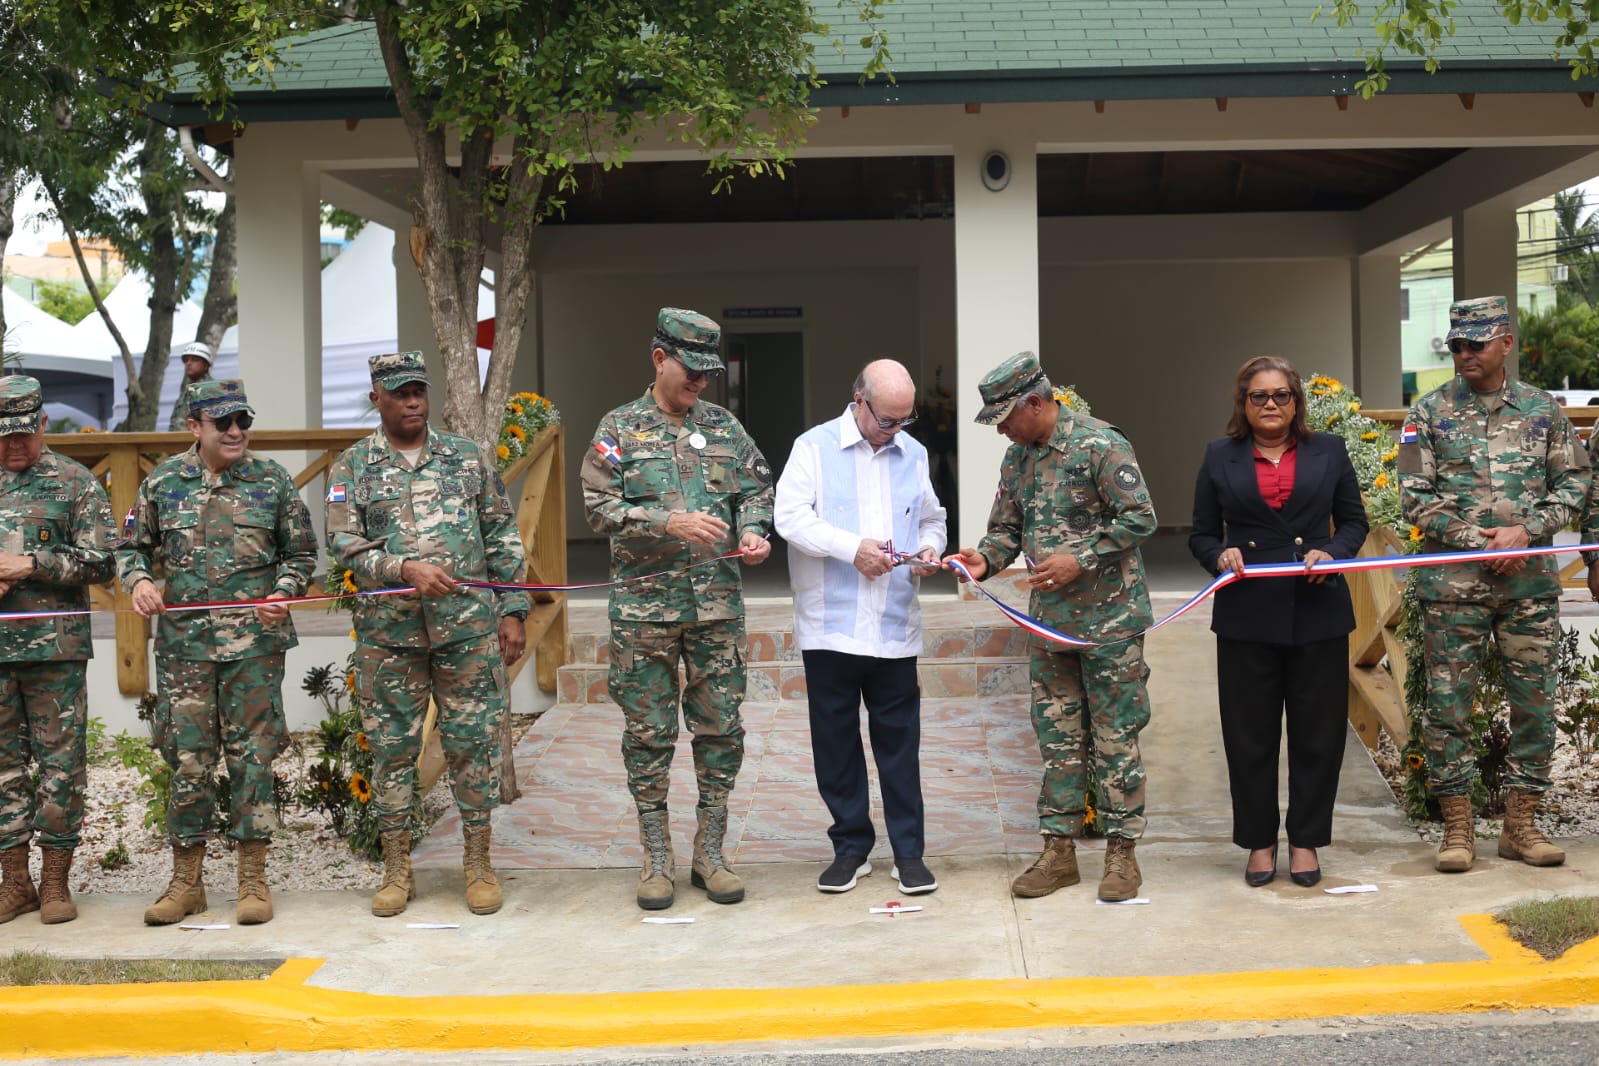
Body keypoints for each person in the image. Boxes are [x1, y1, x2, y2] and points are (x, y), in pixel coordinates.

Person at [944, 351, 1156, 903]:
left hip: (1109, 623)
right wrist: (983, 560)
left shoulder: (1101, 443)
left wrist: (1078, 559)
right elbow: (1006, 530)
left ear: (1035, 403)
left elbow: (1140, 517)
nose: (1003, 431)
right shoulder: (1019, 460)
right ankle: (1058, 852)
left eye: (1006, 418)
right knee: (1059, 740)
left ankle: (1121, 855)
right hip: (1051, 628)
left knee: (1116, 741)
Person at [326, 351, 530, 918]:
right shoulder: (353, 467)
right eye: (400, 392)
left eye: (419, 389)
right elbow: (342, 544)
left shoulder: (466, 458)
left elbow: (501, 535)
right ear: (377, 399)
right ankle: (396, 868)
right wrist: (402, 569)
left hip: (467, 633)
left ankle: (478, 864)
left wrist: (513, 609)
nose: (414, 400)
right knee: (392, 753)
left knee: (473, 748)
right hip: (390, 640)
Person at [582, 307, 773, 911]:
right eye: (690, 370)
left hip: (716, 608)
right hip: (645, 612)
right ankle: (656, 855)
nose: (699, 384)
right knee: (649, 734)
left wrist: (755, 530)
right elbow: (595, 506)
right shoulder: (619, 427)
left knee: (721, 729)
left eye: (707, 374)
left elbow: (756, 488)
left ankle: (710, 852)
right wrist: (668, 520)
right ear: (659, 358)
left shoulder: (723, 426)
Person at [1399, 295, 1588, 873]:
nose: (1464, 355)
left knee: (1535, 706)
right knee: (1448, 709)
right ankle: (1457, 828)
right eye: (1456, 346)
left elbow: (1574, 482)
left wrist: (1526, 532)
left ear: (1506, 342)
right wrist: (1482, 541)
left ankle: (1521, 826)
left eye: (1475, 345)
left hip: (1527, 588)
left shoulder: (1544, 411)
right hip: (1453, 589)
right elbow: (1413, 496)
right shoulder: (1425, 414)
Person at [120, 379, 318, 925]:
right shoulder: (163, 482)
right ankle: (187, 882)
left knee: (252, 759)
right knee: (187, 762)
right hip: (185, 649)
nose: (236, 432)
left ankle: (252, 878)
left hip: (254, 647)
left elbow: (301, 553)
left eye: (243, 422)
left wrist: (285, 590)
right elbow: (131, 546)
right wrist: (139, 581)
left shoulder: (272, 480)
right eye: (223, 423)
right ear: (195, 427)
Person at [1189, 356, 1369, 888]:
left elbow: (1355, 521)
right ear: (1243, 405)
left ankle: (1307, 840)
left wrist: (1333, 552)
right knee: (1250, 736)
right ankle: (1260, 842)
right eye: (1259, 397)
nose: (1271, 405)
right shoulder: (1220, 455)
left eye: (1281, 396)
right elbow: (1201, 533)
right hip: (1248, 614)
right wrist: (1220, 557)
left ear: (1297, 402)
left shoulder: (1329, 451)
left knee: (1318, 735)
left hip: (1319, 610)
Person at [774, 359, 948, 895]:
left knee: (900, 743)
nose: (894, 430)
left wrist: (929, 550)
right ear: (858, 400)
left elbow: (931, 518)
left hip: (894, 624)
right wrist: (852, 550)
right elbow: (790, 517)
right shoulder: (813, 447)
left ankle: (909, 853)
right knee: (836, 743)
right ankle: (850, 847)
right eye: (886, 420)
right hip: (830, 624)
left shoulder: (913, 454)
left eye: (904, 420)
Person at [0, 377, 117, 927]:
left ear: (42, 425)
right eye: (3, 436)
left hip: (55, 650)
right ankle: (15, 881)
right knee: (2, 769)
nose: (13, 446)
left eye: (23, 434)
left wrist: (35, 565)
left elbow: (104, 561)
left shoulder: (76, 484)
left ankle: (54, 882)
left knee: (60, 767)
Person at [167, 341, 215, 431]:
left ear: (206, 365)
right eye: (186, 360)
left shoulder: (213, 390)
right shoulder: (189, 389)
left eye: (194, 360)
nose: (188, 363)